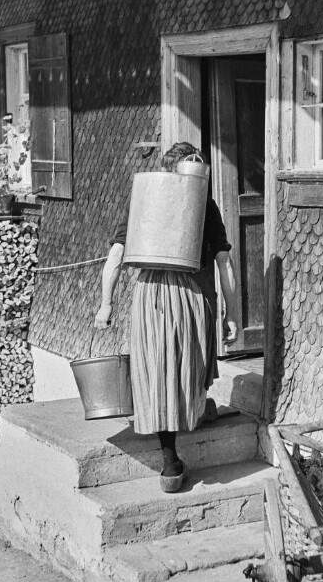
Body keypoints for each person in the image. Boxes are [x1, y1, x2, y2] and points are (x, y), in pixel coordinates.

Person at [94, 142, 238, 492]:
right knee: (188, 365)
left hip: (150, 295)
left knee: (157, 370)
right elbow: (224, 262)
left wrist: (106, 303)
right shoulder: (203, 202)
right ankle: (193, 412)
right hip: (190, 294)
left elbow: (116, 256)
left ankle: (170, 463)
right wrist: (231, 312)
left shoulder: (147, 197)